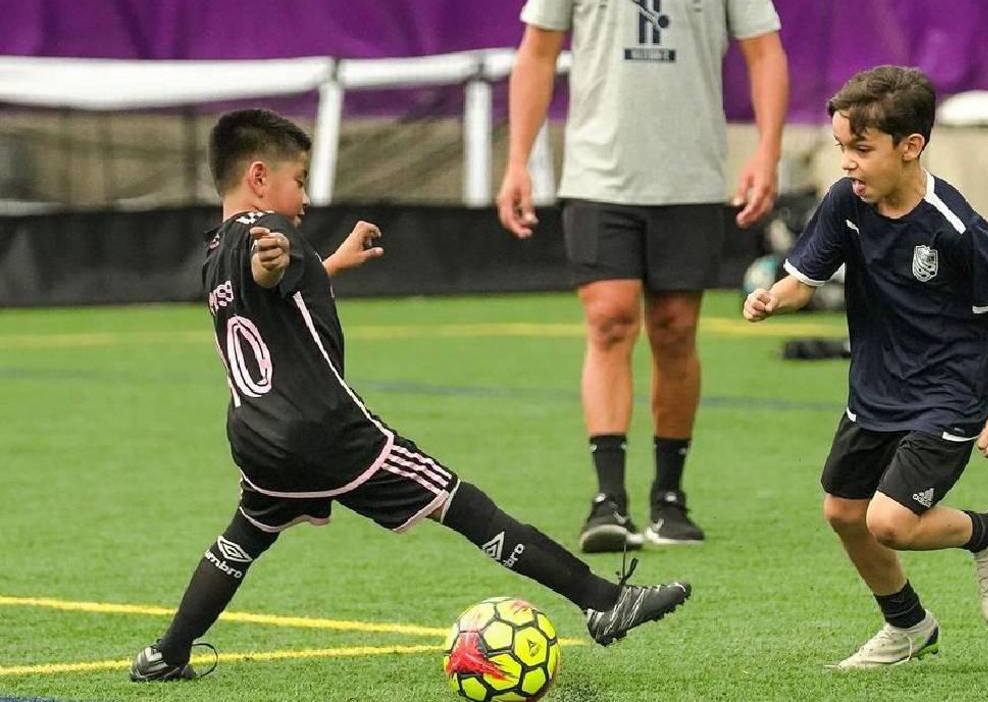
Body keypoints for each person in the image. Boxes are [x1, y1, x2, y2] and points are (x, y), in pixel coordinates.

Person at [129, 109, 690, 682]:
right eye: (298, 180)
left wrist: (327, 266)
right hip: (329, 433)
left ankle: (167, 652)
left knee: (245, 535)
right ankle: (602, 602)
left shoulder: (215, 253)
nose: (303, 197)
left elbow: (264, 294)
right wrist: (275, 261)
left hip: (259, 438)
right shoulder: (269, 237)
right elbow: (267, 272)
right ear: (257, 176)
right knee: (462, 503)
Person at [496, 0, 789, 553]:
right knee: (609, 320)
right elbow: (536, 52)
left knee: (676, 329)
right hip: (598, 173)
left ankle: (669, 496)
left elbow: (765, 53)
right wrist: (518, 160)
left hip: (691, 177)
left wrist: (764, 150)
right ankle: (607, 500)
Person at [743, 66, 988, 668]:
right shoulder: (845, 202)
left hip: (951, 392)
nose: (848, 163)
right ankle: (908, 626)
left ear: (912, 147)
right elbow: (806, 279)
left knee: (890, 522)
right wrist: (776, 296)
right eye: (841, 148)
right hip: (877, 386)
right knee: (843, 513)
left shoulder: (955, 227)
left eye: (861, 148)